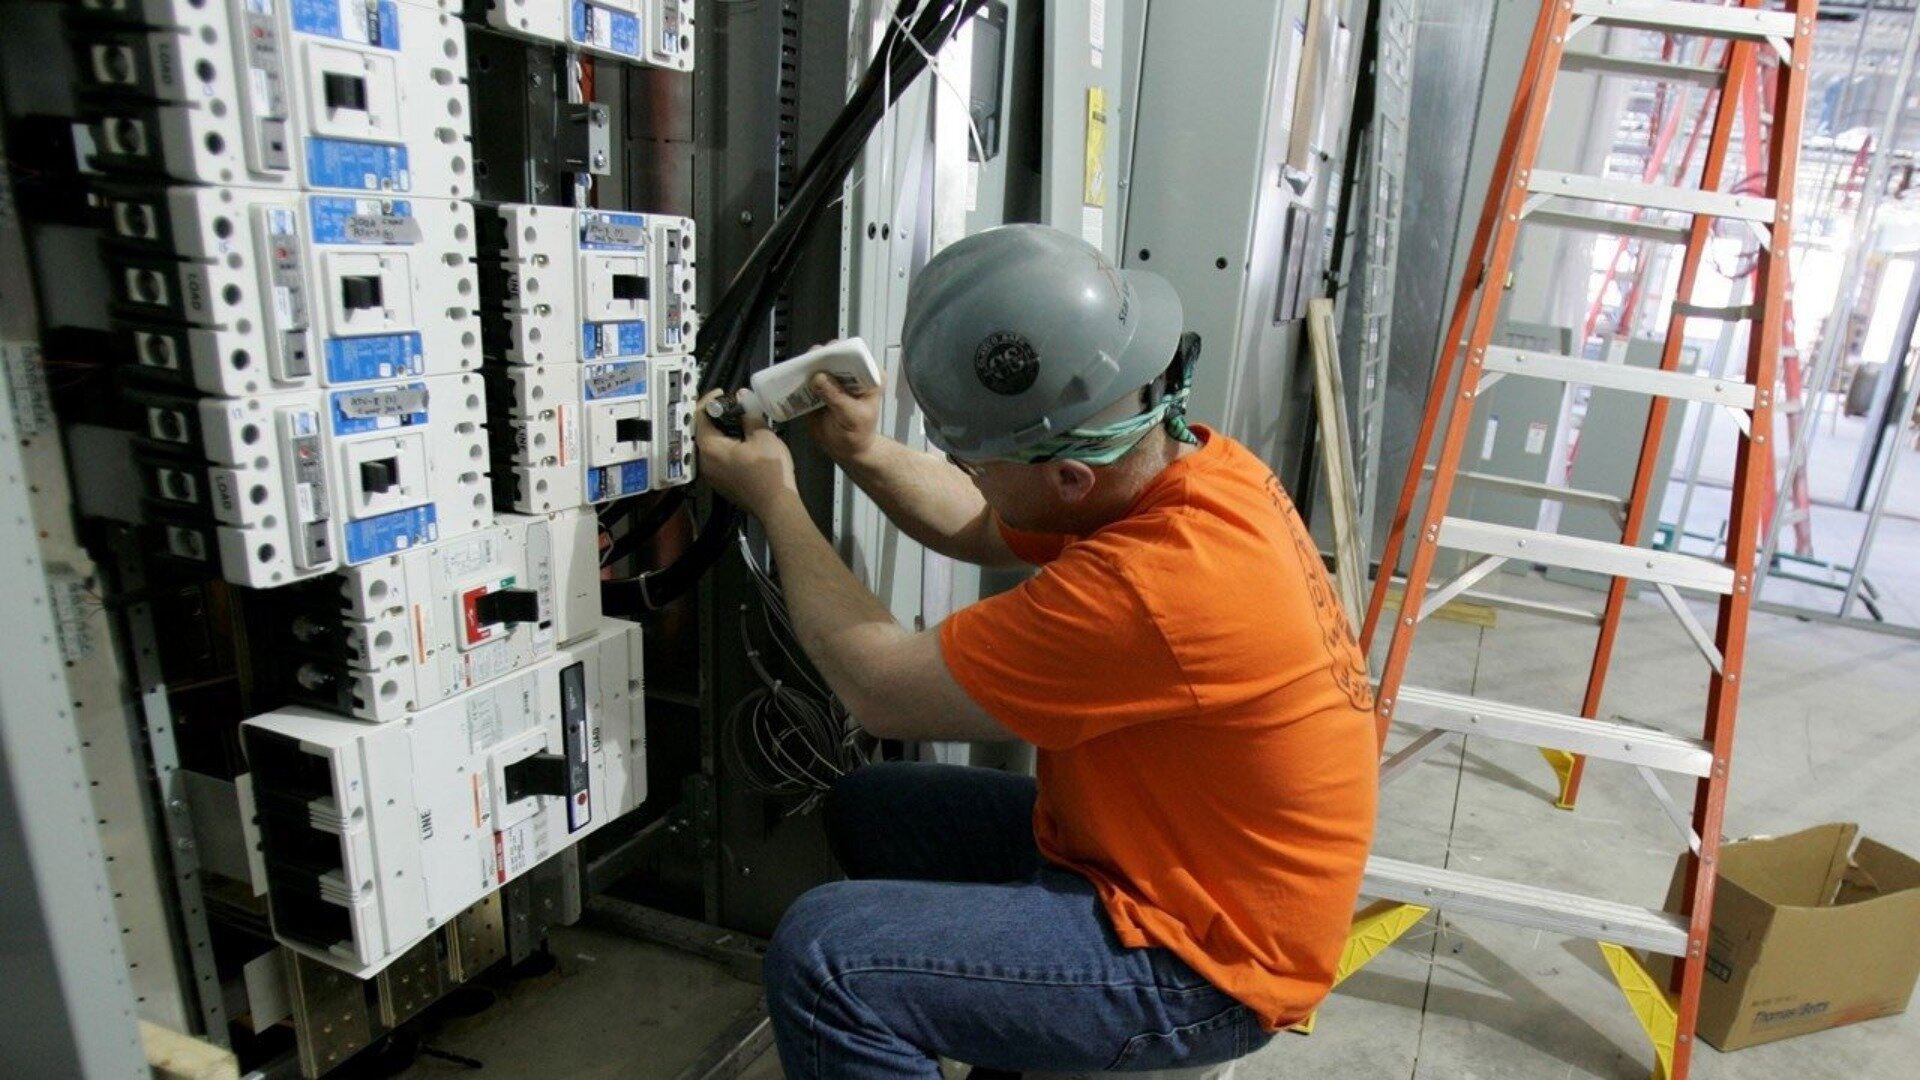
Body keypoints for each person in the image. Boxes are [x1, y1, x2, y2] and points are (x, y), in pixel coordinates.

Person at [692, 224, 1377, 1079]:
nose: (970, 476)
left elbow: (881, 688)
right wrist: (862, 450)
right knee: (875, 808)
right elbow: (988, 525)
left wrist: (776, 499)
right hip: (1154, 862)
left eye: (974, 461)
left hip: (1205, 966)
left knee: (826, 958)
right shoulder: (1192, 468)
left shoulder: (1154, 589)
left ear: (1069, 479)